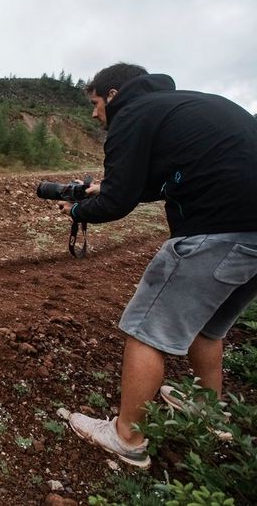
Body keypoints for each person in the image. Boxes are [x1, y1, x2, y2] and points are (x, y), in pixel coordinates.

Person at [59, 62, 257, 468]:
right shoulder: (187, 104)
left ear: (114, 95)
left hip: (217, 229)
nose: (95, 115)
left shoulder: (132, 114)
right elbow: (165, 179)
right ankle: (208, 410)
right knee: (207, 327)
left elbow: (117, 204)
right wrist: (105, 186)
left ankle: (126, 437)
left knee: (146, 330)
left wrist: (78, 208)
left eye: (96, 104)